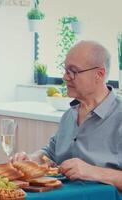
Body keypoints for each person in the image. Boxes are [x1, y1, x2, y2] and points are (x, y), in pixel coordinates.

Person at [12, 40, 122, 190]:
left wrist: (93, 172)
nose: (65, 77)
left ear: (99, 74)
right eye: (65, 70)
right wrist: (32, 159)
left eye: (73, 71)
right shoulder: (70, 114)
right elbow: (50, 153)